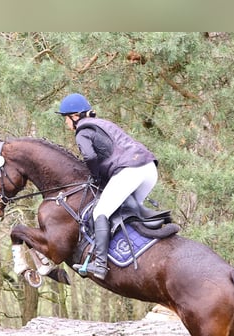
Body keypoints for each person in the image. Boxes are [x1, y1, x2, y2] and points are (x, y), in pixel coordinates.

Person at [57, 92, 159, 280]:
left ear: (75, 116)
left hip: (131, 171)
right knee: (123, 211)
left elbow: (90, 157)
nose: (66, 124)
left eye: (66, 119)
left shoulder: (83, 131)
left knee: (100, 212)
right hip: (149, 169)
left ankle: (101, 264)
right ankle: (134, 253)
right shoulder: (104, 124)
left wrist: (96, 177)